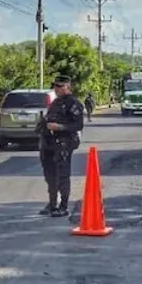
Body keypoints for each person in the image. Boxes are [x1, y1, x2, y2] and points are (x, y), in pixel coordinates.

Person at [37, 75, 85, 217]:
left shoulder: (73, 103)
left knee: (62, 175)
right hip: (48, 142)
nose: (56, 89)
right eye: (55, 86)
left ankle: (63, 206)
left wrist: (60, 127)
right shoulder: (56, 102)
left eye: (60, 86)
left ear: (68, 87)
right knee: (50, 175)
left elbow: (78, 125)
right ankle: (53, 203)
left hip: (64, 143)